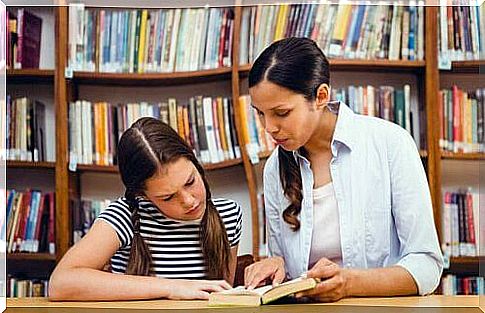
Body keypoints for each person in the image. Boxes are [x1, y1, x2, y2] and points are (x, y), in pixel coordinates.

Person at [244, 37, 443, 302]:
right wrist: (276, 265)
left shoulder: (389, 144)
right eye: (260, 113)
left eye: (281, 113)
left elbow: (427, 266)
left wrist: (350, 283)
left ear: (321, 96)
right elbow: (291, 274)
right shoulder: (274, 168)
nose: (268, 127)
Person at [49, 117, 242, 301]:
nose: (189, 201)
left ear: (195, 163)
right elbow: (61, 283)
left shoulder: (228, 215)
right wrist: (171, 287)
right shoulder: (124, 216)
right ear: (143, 195)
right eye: (167, 197)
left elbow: (223, 296)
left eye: (190, 181)